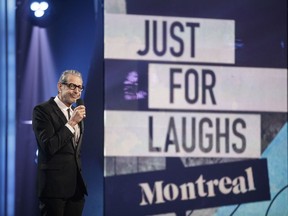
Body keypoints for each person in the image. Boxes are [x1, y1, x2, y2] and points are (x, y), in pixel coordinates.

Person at [32, 70, 88, 216]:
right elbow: (49, 146)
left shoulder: (76, 112)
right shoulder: (43, 111)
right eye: (72, 86)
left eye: (80, 87)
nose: (76, 91)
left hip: (76, 189)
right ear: (60, 86)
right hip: (54, 189)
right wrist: (72, 123)